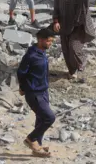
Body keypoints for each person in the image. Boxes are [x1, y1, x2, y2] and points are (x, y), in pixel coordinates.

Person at [17, 28, 56, 157]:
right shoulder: (30, 55)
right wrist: (22, 87)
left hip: (43, 91)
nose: (50, 43)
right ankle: (31, 139)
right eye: (48, 41)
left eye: (51, 41)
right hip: (34, 93)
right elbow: (21, 73)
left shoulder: (42, 52)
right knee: (49, 118)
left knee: (41, 118)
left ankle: (37, 146)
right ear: (40, 40)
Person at [52, 0, 95, 79]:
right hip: (64, 26)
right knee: (66, 50)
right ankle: (72, 71)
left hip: (77, 26)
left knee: (73, 47)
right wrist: (56, 22)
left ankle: (82, 61)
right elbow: (56, 9)